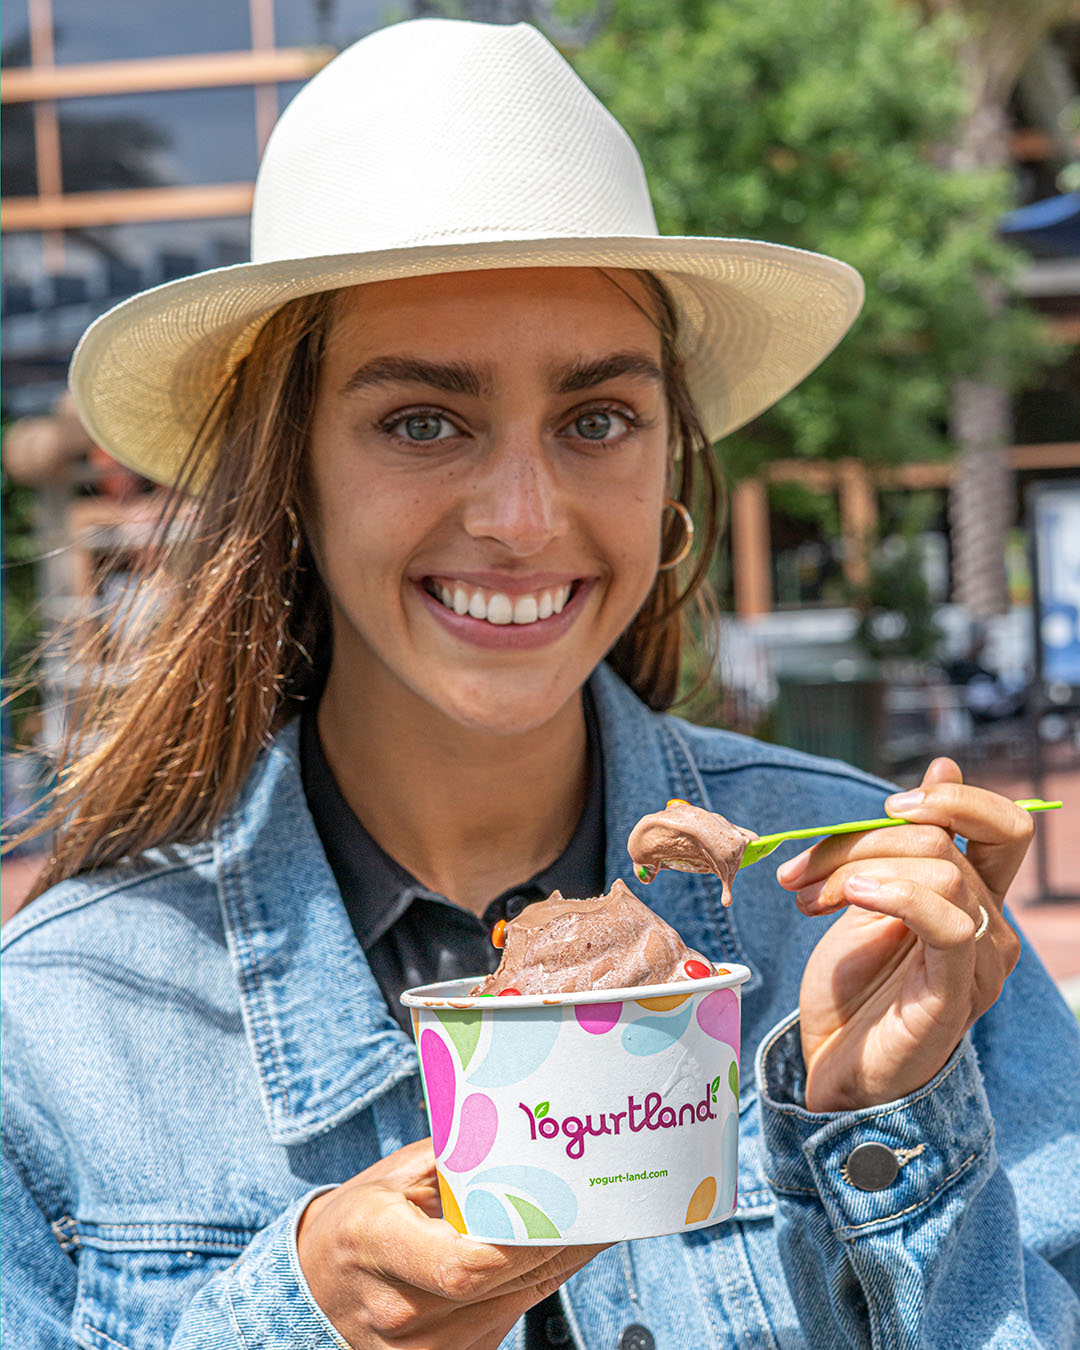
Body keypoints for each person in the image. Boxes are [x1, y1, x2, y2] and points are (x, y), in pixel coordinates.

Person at [2, 19, 1078, 1350]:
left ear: (669, 456)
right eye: (422, 421)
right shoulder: (59, 1025)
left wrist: (882, 1137)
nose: (522, 517)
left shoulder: (887, 927)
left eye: (597, 419)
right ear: (291, 475)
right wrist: (296, 1322)